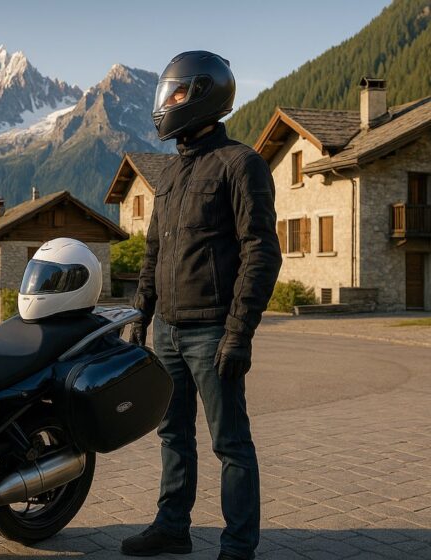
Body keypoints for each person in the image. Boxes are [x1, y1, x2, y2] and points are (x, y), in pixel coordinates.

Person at [120, 51, 281, 560]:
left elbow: (261, 251)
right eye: (167, 92)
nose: (167, 103)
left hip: (213, 332)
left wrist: (239, 333)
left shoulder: (241, 163)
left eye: (177, 92)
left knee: (230, 443)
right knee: (172, 435)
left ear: (205, 94)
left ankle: (238, 546)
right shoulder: (168, 174)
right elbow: (153, 251)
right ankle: (172, 528)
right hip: (167, 330)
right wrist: (140, 315)